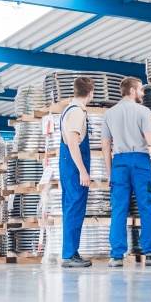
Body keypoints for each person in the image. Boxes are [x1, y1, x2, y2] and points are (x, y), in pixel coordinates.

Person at [103, 76, 151, 267]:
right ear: (132, 90)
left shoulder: (109, 114)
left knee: (118, 209)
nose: (143, 93)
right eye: (141, 89)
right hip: (140, 162)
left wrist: (110, 174)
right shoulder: (143, 111)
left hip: (119, 163)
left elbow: (105, 147)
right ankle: (150, 254)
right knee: (146, 207)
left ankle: (117, 256)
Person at [59, 76, 95, 269]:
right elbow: (73, 143)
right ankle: (69, 254)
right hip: (74, 167)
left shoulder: (68, 110)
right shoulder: (77, 113)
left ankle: (71, 251)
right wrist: (83, 171)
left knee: (71, 208)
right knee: (74, 209)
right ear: (90, 93)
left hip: (68, 164)